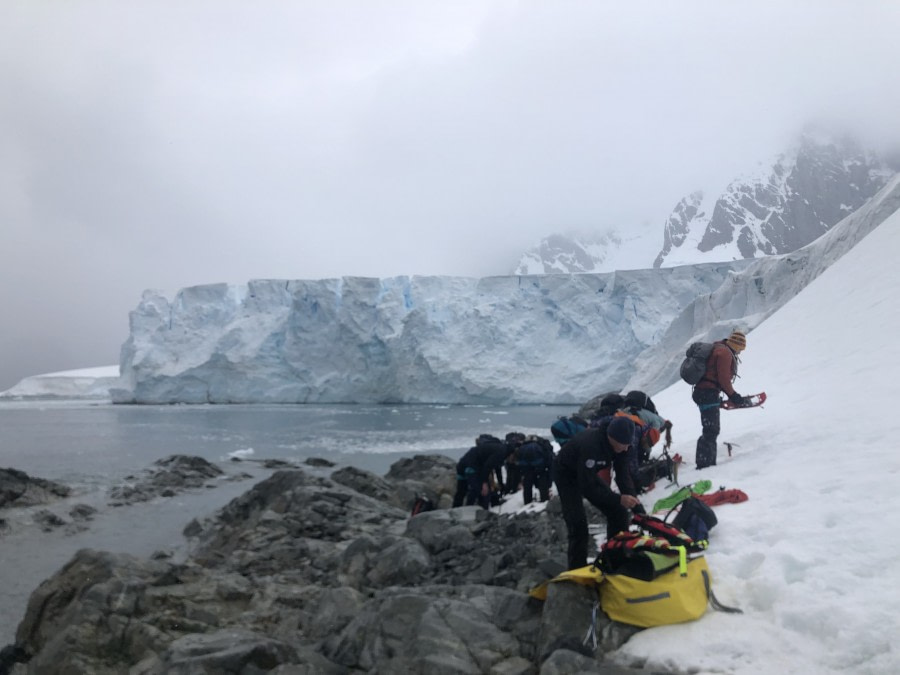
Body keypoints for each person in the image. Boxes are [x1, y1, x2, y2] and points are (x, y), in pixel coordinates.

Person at [553, 417, 643, 570]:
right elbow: (588, 487)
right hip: (566, 474)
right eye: (623, 445)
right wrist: (618, 498)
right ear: (611, 438)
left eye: (629, 444)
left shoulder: (623, 445)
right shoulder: (591, 445)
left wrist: (638, 509)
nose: (627, 449)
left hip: (587, 473)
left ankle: (615, 559)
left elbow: (623, 477)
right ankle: (577, 569)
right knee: (578, 525)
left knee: (619, 512)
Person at [691, 330, 748, 469]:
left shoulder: (718, 348)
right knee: (711, 429)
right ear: (737, 345)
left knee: (709, 428)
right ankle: (705, 464)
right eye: (740, 349)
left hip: (703, 392)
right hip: (708, 393)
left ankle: (706, 462)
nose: (739, 352)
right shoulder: (725, 354)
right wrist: (734, 396)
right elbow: (723, 379)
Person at [452, 435, 513, 509]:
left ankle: (455, 510)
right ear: (511, 454)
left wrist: (500, 485)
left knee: (461, 491)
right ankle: (476, 512)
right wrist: (484, 483)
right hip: (473, 466)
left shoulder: (498, 448)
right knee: (480, 491)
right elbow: (488, 466)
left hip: (463, 463)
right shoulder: (501, 452)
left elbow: (496, 469)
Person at [516, 434, 554, 504]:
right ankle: (544, 501)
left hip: (526, 467)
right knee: (543, 481)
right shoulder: (544, 445)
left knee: (527, 484)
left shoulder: (523, 446)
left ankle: (527, 502)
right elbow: (549, 462)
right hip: (540, 467)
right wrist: (549, 484)